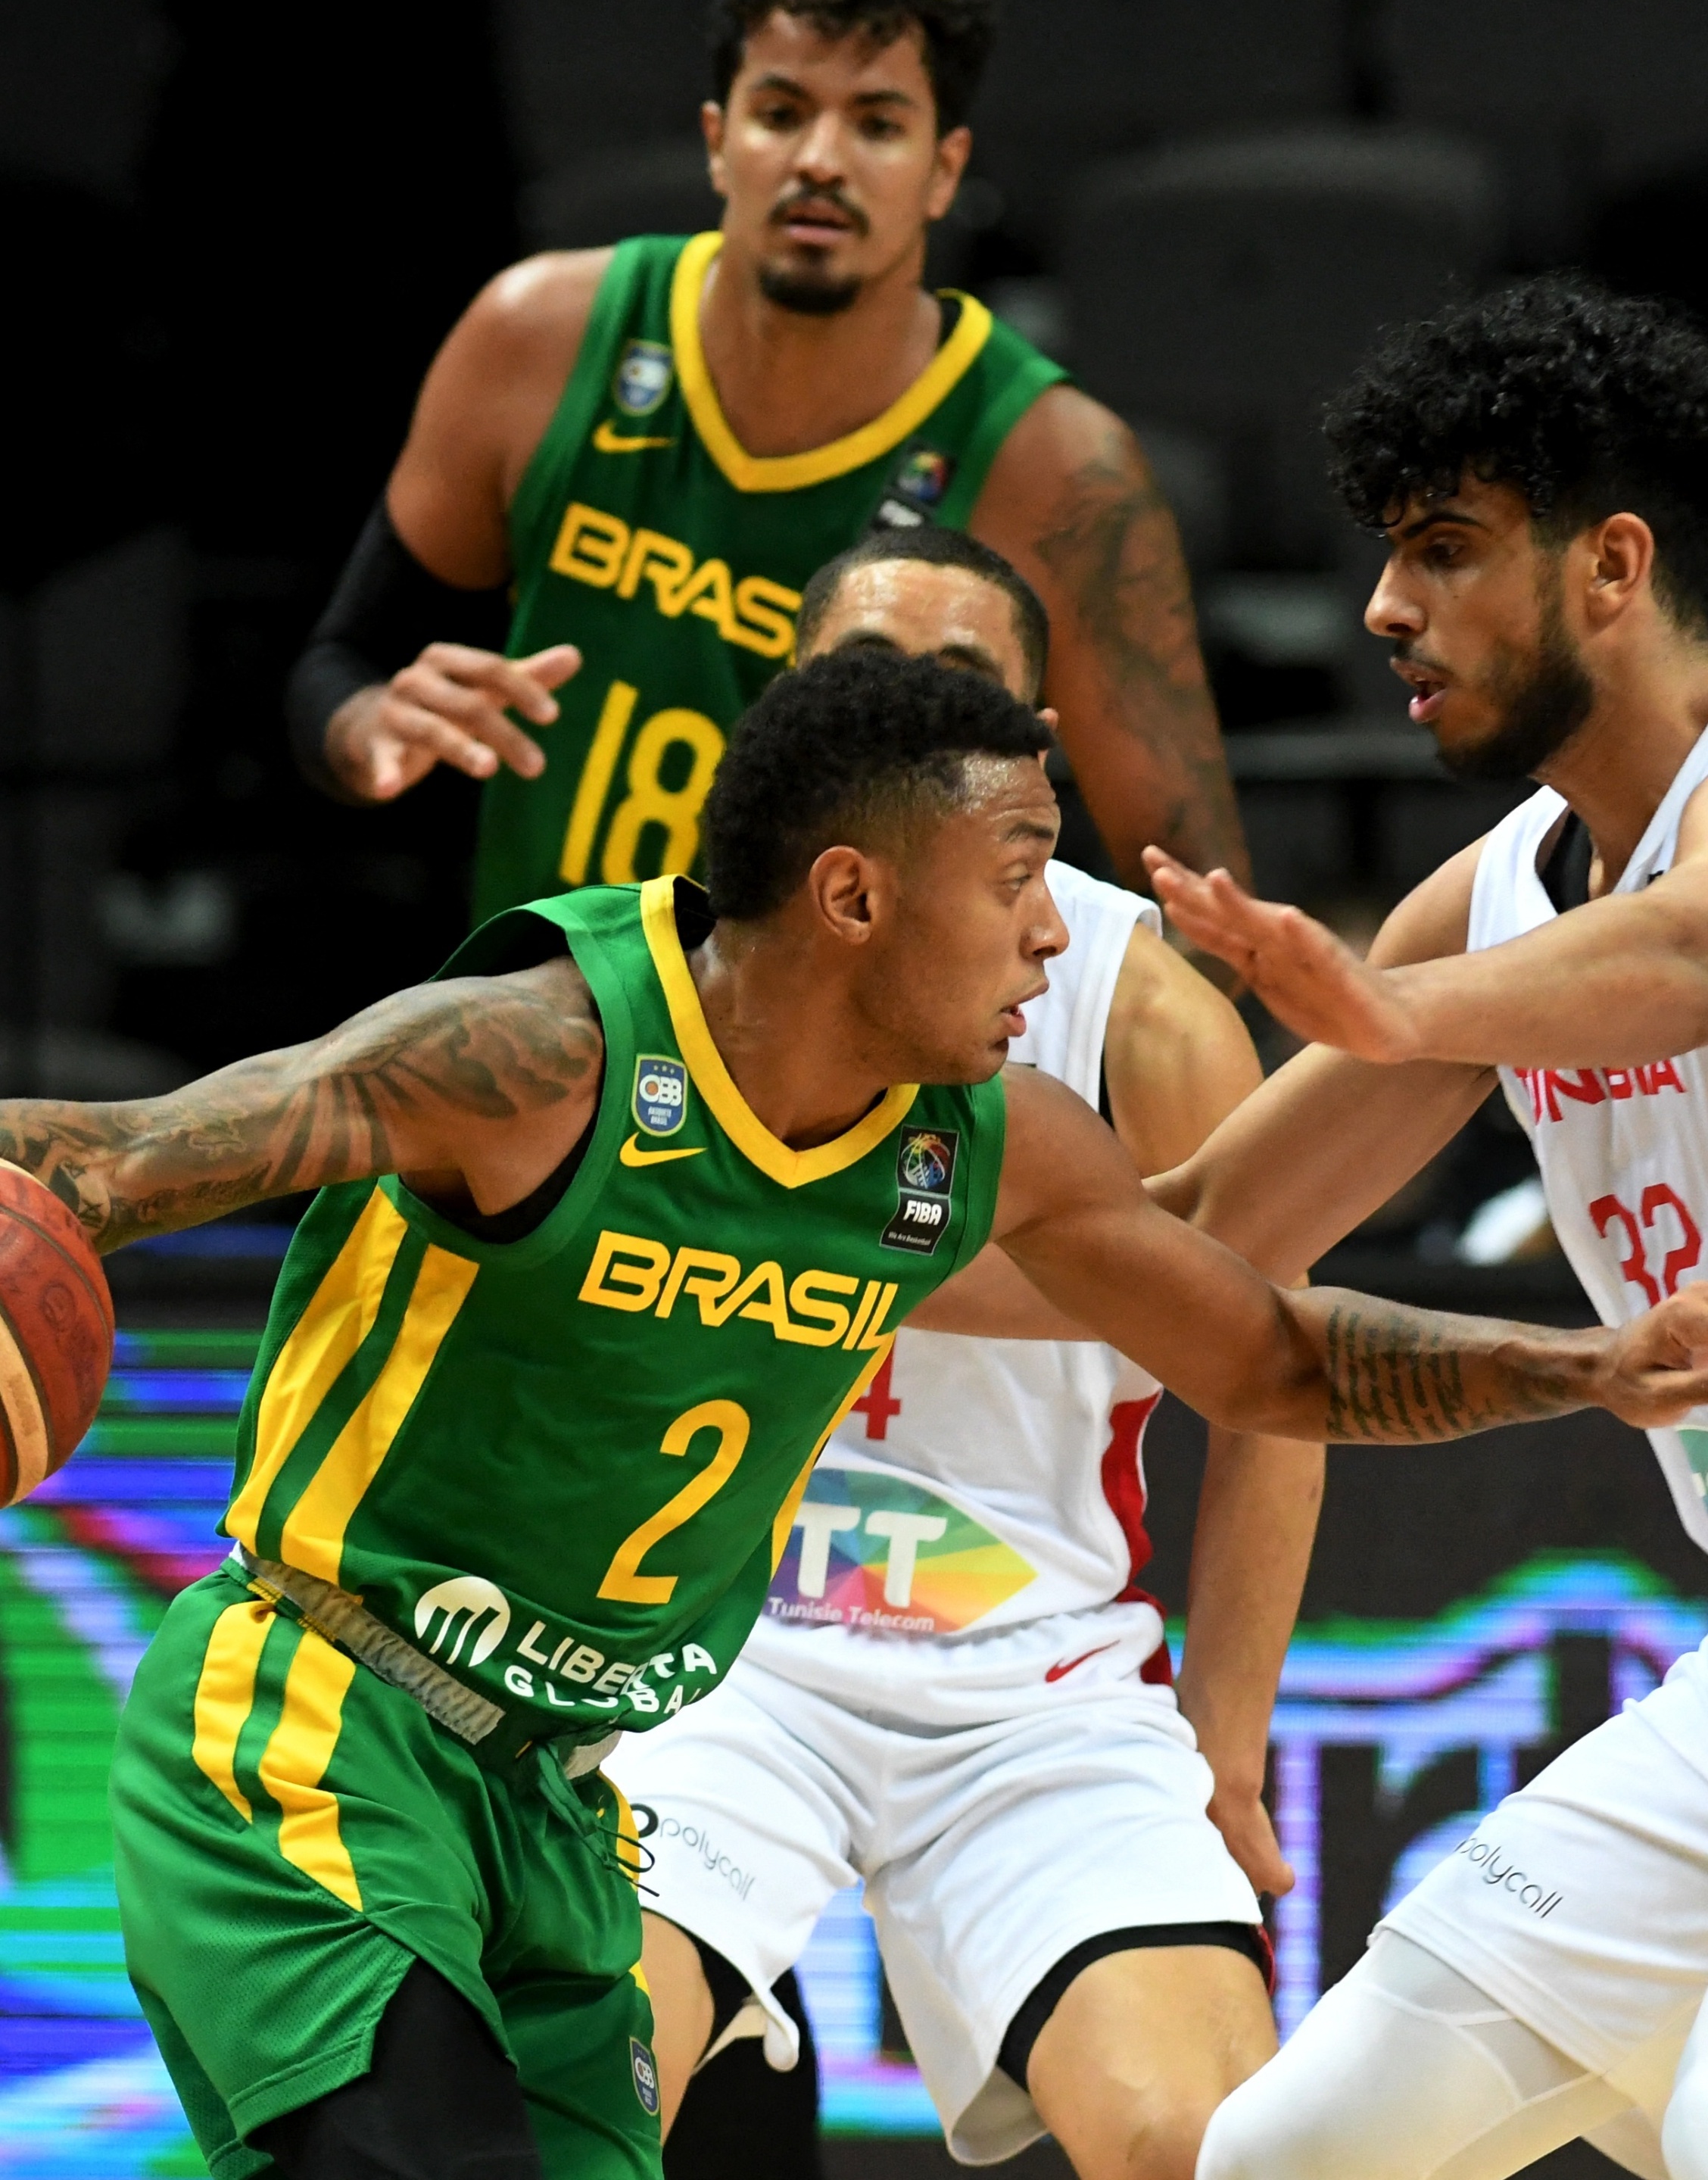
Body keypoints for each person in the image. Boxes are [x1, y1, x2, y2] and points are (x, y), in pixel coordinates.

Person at [10, 651, 1700, 2180]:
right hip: (321, 1714)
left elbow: (1261, 1357)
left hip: (555, 1792)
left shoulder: (978, 1143)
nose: (1059, 930)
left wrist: (1575, 1367)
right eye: (1022, 879)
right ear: (853, 895)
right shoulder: (539, 1058)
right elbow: (111, 1158)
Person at [625, 523, 1322, 2180]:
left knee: (1208, 2147)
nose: (909, 738)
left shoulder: (1144, 1017)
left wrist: (1230, 1737)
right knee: (561, 2098)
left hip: (1032, 1676)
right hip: (704, 1648)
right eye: (866, 688)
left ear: (1036, 751)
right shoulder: (667, 967)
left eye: (962, 703)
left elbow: (1273, 1380)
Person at [1133, 278, 1708, 2180]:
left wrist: (1397, 1010)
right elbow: (1207, 1235)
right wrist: (814, 1240)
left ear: (1611, 564)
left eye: (1445, 552)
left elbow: (1687, 954)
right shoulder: (1502, 898)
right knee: (1287, 2151)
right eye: (1387, 556)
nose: (1386, 609)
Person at [283, 0, 1248, 926]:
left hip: (856, 1075)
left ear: (945, 172)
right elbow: (336, 671)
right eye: (781, 112)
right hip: (552, 1038)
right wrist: (370, 728)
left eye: (877, 124)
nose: (820, 160)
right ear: (717, 141)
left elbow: (1201, 902)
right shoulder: (536, 339)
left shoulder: (1055, 465)